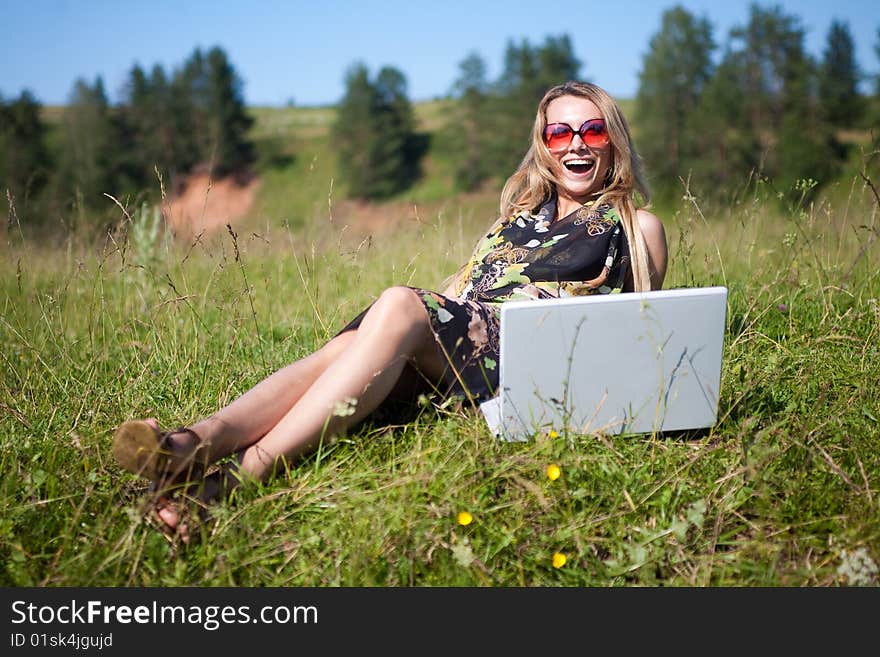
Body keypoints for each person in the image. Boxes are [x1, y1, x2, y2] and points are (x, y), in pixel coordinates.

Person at [112, 80, 668, 539]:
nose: (577, 144)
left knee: (400, 305)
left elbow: (640, 336)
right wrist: (402, 324)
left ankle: (231, 481)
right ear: (544, 144)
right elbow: (464, 288)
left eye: (592, 130)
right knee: (349, 345)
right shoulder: (517, 215)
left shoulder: (634, 224)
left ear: (612, 141)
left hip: (525, 364)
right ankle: (190, 445)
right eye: (560, 131)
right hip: (462, 346)